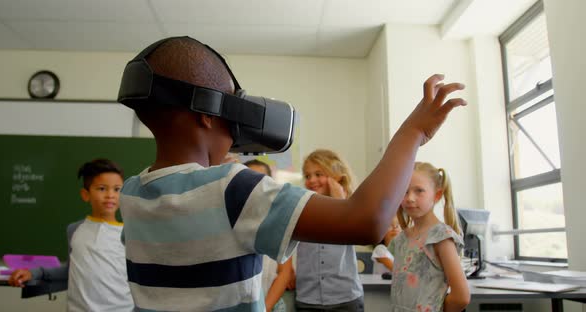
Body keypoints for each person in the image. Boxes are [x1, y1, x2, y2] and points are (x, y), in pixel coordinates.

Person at [117, 36, 466, 311]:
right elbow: (367, 221)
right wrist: (413, 132)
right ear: (208, 113)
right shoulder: (229, 188)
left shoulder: (132, 194)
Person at [8, 158, 133, 312]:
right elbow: (70, 270)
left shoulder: (130, 233)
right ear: (85, 194)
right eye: (102, 188)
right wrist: (34, 272)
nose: (110, 195)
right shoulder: (74, 230)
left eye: (117, 189)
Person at [388, 162, 470, 312]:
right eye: (404, 191)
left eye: (419, 191)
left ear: (437, 195)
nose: (410, 198)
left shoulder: (441, 238)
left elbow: (461, 297)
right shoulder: (401, 239)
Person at [294, 149, 364, 311]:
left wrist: (340, 202)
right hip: (307, 299)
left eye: (319, 174)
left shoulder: (351, 207)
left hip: (345, 299)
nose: (312, 180)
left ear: (335, 176)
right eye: (307, 176)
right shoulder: (300, 210)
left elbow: (356, 235)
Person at [244, 159, 293, 312]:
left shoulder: (280, 223)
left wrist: (265, 309)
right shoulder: (228, 220)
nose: (255, 187)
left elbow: (284, 272)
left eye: (261, 181)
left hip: (268, 305)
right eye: (249, 181)